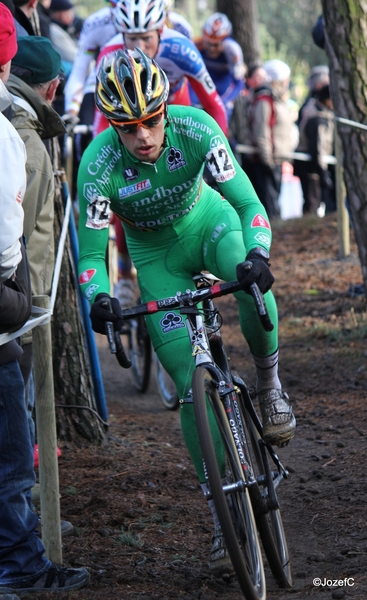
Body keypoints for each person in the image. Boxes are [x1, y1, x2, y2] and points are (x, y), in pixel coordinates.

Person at [77, 48, 296, 577]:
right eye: (129, 128)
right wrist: (99, 298)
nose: (144, 135)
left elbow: (247, 204)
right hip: (156, 260)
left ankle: (268, 385)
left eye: (152, 120)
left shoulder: (196, 128)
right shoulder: (97, 165)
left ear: (166, 110)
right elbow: (90, 256)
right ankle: (221, 507)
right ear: (112, 127)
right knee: (185, 377)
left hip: (211, 224)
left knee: (251, 288)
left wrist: (258, 254)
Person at [0, 6, 89, 594]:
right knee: (11, 449)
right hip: (7, 320)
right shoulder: (18, 140)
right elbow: (17, 242)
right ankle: (24, 568)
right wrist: (29, 312)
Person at [94, 0, 228, 307]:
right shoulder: (110, 55)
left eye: (147, 38)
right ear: (121, 34)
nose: (140, 45)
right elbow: (102, 121)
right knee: (123, 198)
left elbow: (214, 105)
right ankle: (126, 273)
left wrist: (217, 153)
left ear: (161, 30)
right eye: (132, 38)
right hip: (132, 129)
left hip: (175, 118)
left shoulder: (180, 48)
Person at [246, 59, 294, 219]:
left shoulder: (274, 100)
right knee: (269, 207)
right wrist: (267, 160)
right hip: (267, 161)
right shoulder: (264, 101)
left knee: (273, 204)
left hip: (276, 159)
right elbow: (262, 131)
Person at [189, 12, 246, 123]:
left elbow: (239, 83)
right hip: (201, 85)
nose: (212, 49)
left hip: (222, 88)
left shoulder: (233, 50)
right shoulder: (196, 44)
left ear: (225, 40)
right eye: (208, 43)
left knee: (221, 116)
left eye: (216, 44)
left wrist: (224, 101)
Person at [294, 83, 335, 214]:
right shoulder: (317, 117)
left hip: (316, 164)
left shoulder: (323, 113)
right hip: (311, 165)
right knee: (312, 201)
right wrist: (323, 172)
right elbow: (317, 147)